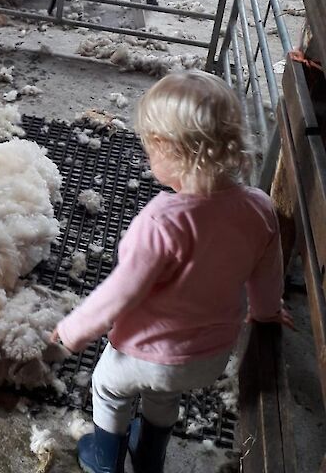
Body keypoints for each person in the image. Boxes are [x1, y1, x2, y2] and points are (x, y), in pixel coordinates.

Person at [50, 71, 295, 473]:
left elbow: (118, 294)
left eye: (150, 149)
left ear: (169, 149)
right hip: (208, 356)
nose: (148, 156)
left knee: (108, 388)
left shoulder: (162, 220)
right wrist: (267, 311)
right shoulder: (259, 207)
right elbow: (267, 273)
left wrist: (69, 334)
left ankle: (104, 460)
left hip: (145, 353)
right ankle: (150, 456)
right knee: (163, 395)